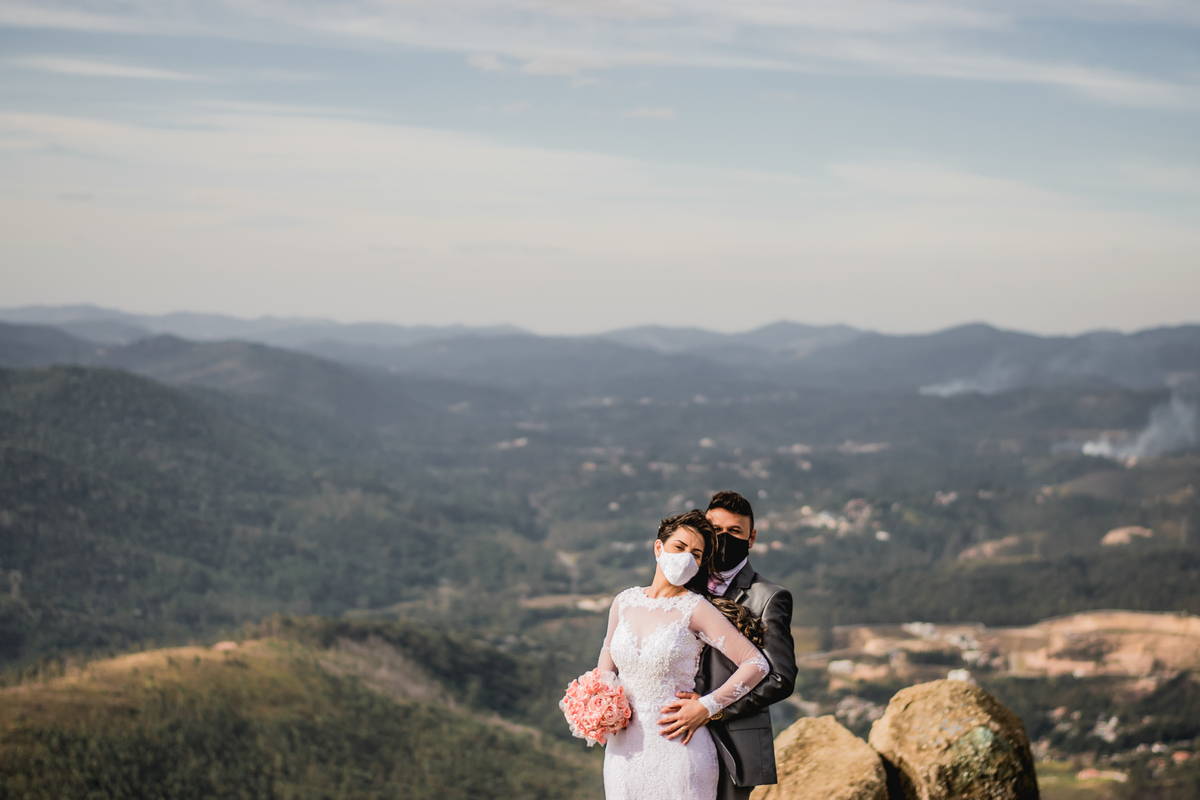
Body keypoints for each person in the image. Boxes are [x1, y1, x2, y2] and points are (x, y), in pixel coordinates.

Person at [598, 510, 770, 800]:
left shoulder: (697, 609)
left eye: (697, 554)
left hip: (679, 750)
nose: (687, 558)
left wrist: (707, 706)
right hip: (621, 752)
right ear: (658, 548)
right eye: (679, 547)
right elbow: (607, 654)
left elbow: (756, 663)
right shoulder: (624, 601)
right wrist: (597, 702)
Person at [657, 491, 798, 800]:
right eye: (716, 530)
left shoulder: (768, 598)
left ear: (751, 538)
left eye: (734, 531)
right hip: (668, 734)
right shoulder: (680, 583)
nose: (723, 538)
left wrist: (710, 709)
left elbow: (780, 679)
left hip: (730, 744)